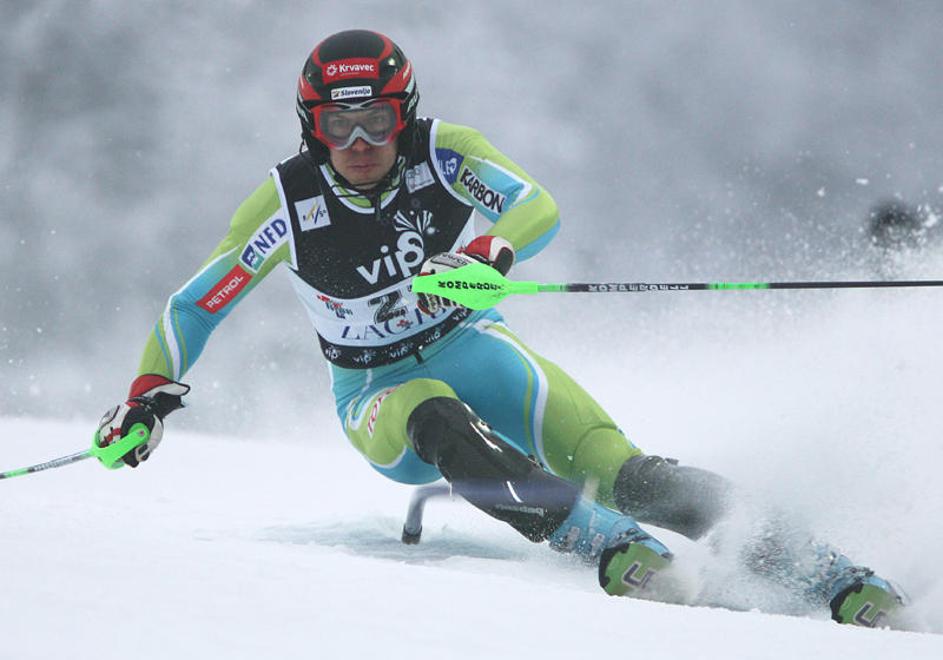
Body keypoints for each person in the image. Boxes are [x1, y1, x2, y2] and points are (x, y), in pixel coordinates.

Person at [96, 29, 904, 627]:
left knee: (623, 468)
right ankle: (609, 548)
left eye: (376, 122)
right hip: (377, 388)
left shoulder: (445, 154)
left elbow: (534, 204)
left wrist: (491, 247)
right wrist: (145, 397)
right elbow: (193, 305)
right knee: (440, 421)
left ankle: (829, 571)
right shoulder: (285, 204)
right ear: (311, 127)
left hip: (471, 343)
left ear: (403, 115)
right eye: (337, 129)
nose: (359, 146)